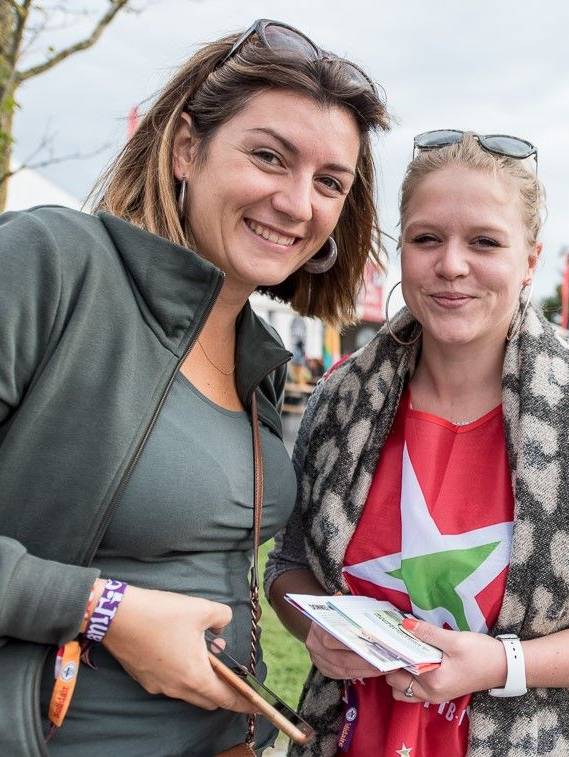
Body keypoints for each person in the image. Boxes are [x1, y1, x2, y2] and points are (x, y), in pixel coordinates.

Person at [0, 19, 387, 756]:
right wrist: (101, 608)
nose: (298, 203)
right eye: (270, 156)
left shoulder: (258, 364)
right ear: (187, 148)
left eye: (329, 182)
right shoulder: (53, 262)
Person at [267, 132, 569, 757]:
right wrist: (316, 627)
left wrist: (504, 663)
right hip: (347, 738)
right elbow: (287, 569)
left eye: (484, 241)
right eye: (427, 239)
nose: (452, 265)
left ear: (529, 259)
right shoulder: (340, 397)